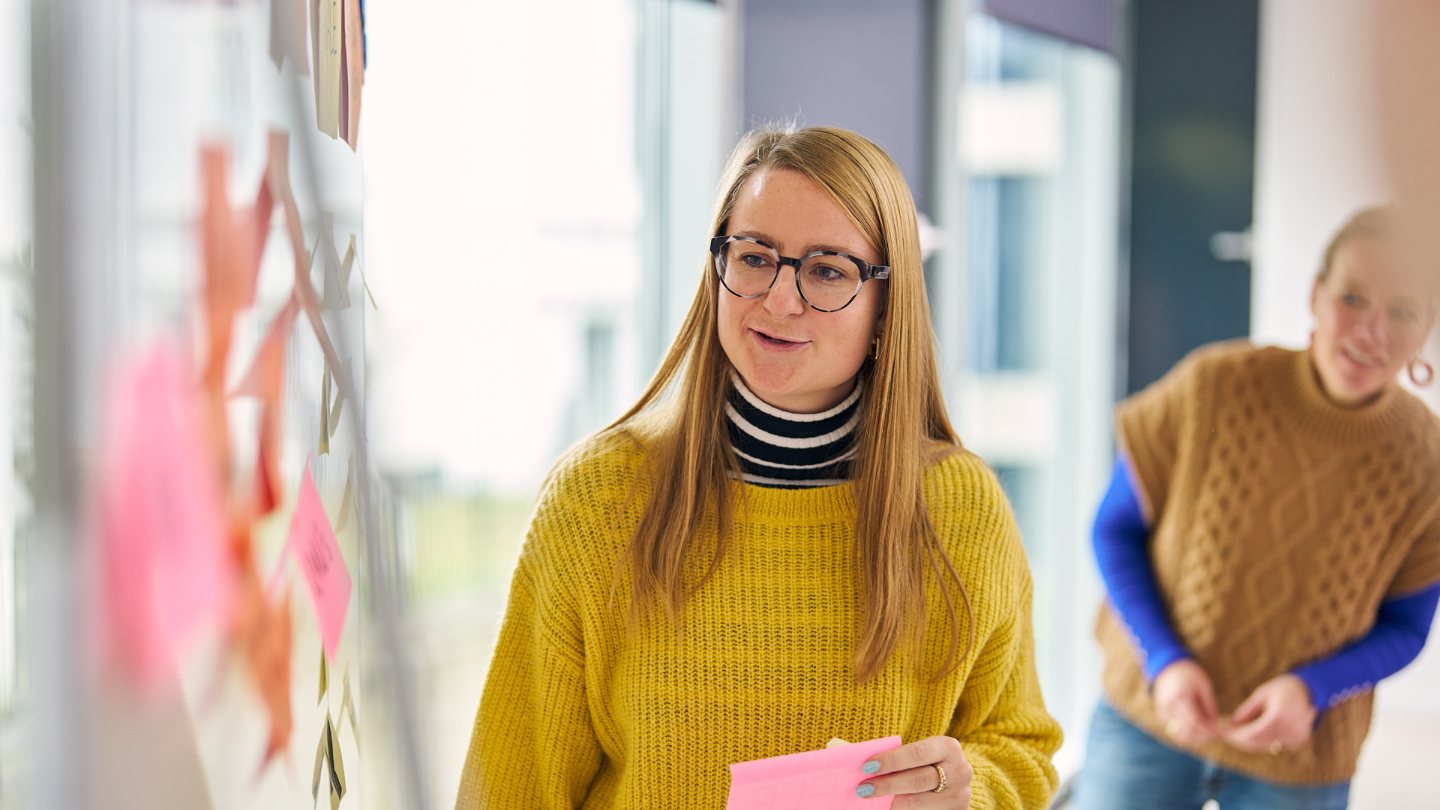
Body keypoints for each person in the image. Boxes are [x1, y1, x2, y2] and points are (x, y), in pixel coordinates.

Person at [454, 125, 1062, 810]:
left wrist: (968, 794)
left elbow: (1020, 748)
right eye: (754, 258)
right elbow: (509, 788)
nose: (779, 299)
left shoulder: (960, 508)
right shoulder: (596, 498)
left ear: (887, 305)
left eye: (828, 270)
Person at [1073, 206, 1440, 810]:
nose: (1372, 331)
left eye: (1401, 312)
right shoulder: (1214, 386)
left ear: (1425, 328)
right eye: (1353, 297)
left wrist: (1313, 690)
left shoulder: (1425, 464)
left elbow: (1408, 626)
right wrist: (1165, 660)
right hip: (1146, 717)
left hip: (1300, 758)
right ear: (1316, 296)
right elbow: (1114, 529)